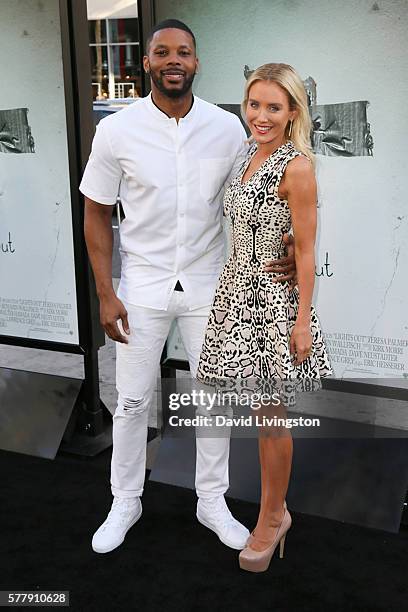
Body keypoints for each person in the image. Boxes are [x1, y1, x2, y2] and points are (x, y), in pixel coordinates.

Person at [80, 20, 296, 555]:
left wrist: (288, 245)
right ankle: (125, 500)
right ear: (147, 63)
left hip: (209, 286)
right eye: (162, 52)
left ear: (196, 63)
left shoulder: (228, 130)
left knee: (213, 400)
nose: (173, 59)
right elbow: (95, 212)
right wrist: (106, 293)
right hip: (141, 288)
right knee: (131, 402)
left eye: (184, 52)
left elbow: (258, 194)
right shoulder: (117, 131)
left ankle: (211, 501)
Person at [196, 63, 332, 572]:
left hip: (271, 305)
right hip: (236, 295)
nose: (261, 115)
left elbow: (305, 253)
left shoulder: (296, 166)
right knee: (259, 417)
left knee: (271, 418)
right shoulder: (250, 156)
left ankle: (273, 518)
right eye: (254, 104)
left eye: (274, 107)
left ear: (293, 111)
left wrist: (301, 321)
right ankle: (273, 511)